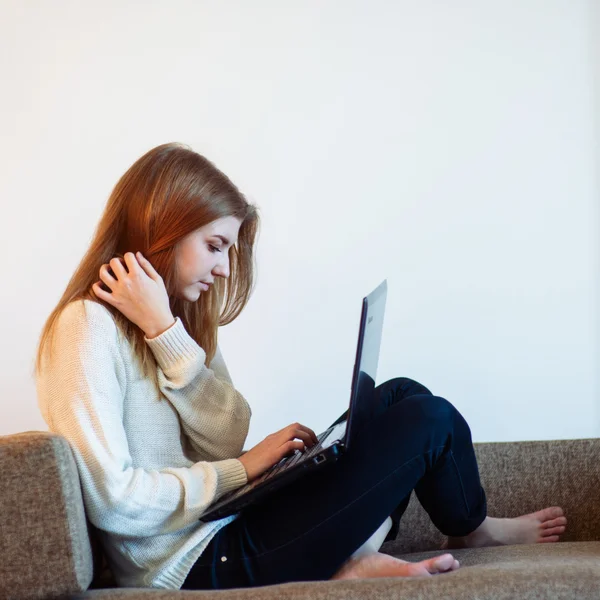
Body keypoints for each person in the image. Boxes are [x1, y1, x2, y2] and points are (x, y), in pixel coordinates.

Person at [34, 142, 567, 591]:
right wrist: (243, 470)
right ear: (161, 229)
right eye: (215, 246)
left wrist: (168, 337)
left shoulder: (176, 322)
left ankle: (372, 553)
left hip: (229, 523)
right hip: (191, 565)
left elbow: (226, 435)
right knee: (427, 421)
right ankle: (446, 535)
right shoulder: (85, 328)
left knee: (400, 394)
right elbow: (114, 502)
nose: (223, 268)